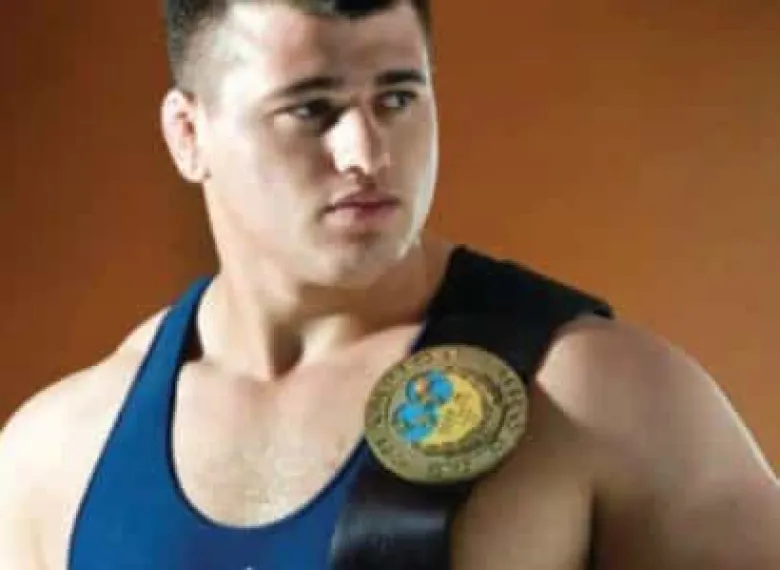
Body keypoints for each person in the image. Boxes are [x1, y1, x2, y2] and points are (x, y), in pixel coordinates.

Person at [1, 0, 778, 568]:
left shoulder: (596, 396)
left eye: (398, 98)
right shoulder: (58, 453)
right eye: (311, 110)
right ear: (188, 134)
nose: (367, 154)